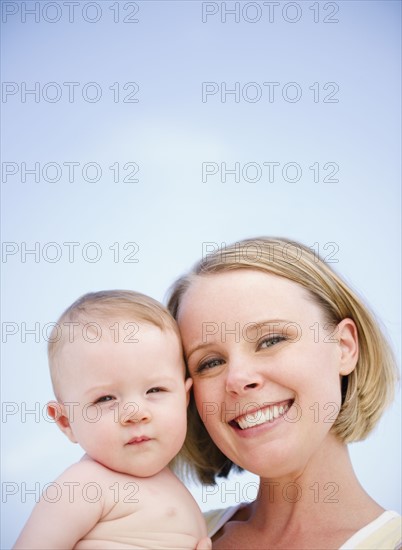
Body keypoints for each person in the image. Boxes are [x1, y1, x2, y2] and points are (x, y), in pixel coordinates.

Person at [167, 237, 402, 550]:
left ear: (344, 347)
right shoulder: (170, 539)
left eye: (271, 340)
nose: (237, 378)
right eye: (210, 362)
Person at [13, 290, 209, 550]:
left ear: (184, 399)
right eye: (105, 399)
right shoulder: (84, 486)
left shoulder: (169, 483)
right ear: (66, 422)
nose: (135, 412)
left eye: (155, 390)